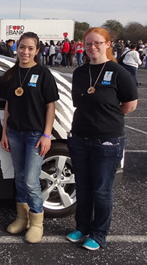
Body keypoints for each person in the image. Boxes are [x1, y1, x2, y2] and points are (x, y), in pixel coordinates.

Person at [65, 27, 138, 251]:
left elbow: (130, 105)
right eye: (88, 44)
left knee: (101, 190)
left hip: (107, 141)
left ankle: (99, 234)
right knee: (83, 187)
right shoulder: (80, 72)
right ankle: (82, 226)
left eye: (97, 43)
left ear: (107, 44)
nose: (92, 47)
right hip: (80, 137)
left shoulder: (118, 72)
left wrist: (107, 120)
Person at [0, 32, 59, 244]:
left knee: (31, 181)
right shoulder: (12, 73)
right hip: (15, 132)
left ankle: (36, 223)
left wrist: (46, 135)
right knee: (19, 177)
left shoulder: (43, 74)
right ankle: (22, 218)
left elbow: (50, 106)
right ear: (17, 48)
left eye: (30, 48)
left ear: (37, 50)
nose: (25, 52)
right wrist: (5, 132)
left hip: (35, 134)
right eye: (22, 47)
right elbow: (8, 105)